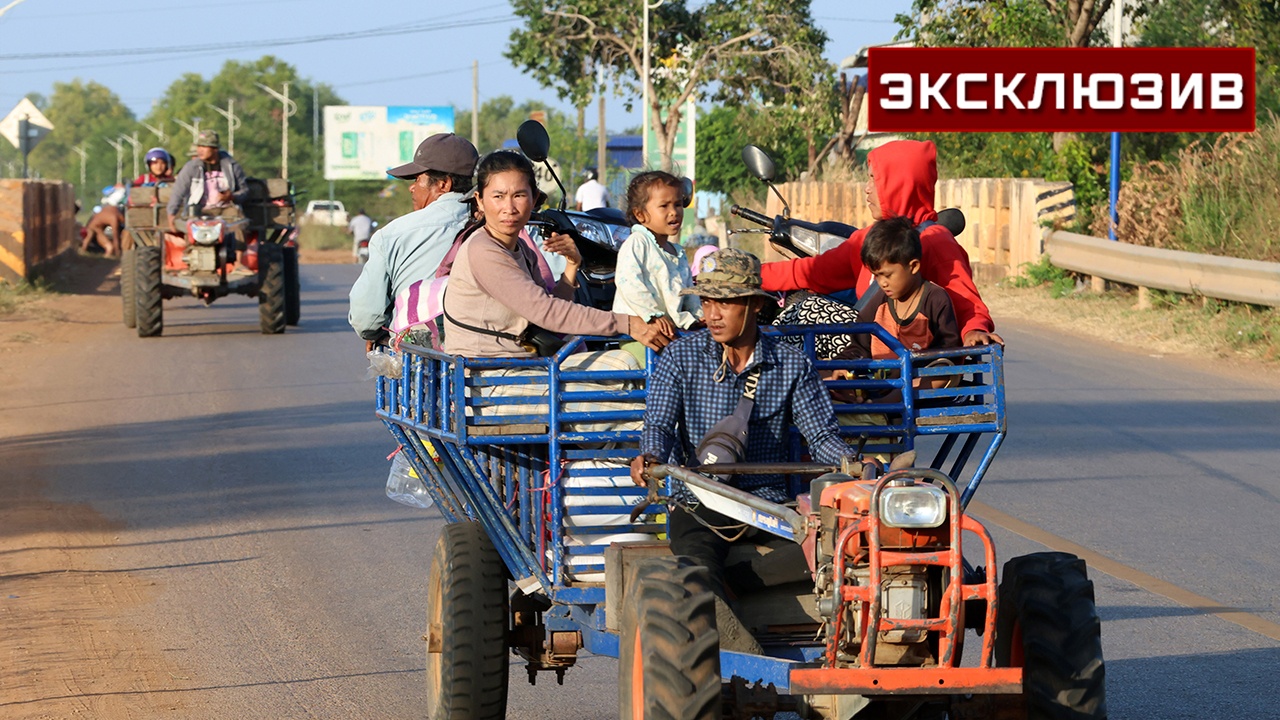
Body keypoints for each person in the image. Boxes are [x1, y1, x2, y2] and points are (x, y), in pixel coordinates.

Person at [629, 247, 856, 653]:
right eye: (706, 301)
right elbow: (659, 426)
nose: (712, 313)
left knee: (838, 554)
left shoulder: (791, 364)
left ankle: (734, 586)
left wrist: (852, 465)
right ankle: (747, 660)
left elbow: (822, 437)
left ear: (754, 306)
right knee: (695, 574)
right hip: (699, 501)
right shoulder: (680, 357)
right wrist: (651, 457)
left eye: (726, 302)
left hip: (770, 504)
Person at [760, 140, 1003, 347]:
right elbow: (811, 272)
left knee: (806, 312)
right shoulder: (869, 239)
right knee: (801, 303)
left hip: (899, 348)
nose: (866, 190)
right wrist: (750, 274)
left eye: (875, 180)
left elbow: (965, 300)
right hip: (868, 341)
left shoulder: (935, 240)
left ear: (899, 184)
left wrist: (974, 329)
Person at [441, 151, 671, 358]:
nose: (509, 208)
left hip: (520, 365)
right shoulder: (483, 250)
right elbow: (545, 312)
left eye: (519, 195)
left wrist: (572, 264)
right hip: (488, 375)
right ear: (480, 201)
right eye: (498, 196)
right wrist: (627, 323)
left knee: (624, 363)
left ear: (534, 199)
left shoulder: (520, 250)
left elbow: (550, 317)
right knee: (626, 374)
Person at [348, 133, 479, 347]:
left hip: (420, 360)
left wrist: (376, 335)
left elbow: (366, 319)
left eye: (418, 179)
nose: (412, 187)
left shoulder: (392, 234)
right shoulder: (503, 226)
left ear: (444, 184)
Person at [612, 171, 702, 337]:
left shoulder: (677, 253)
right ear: (640, 214)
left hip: (670, 331)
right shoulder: (637, 243)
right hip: (640, 333)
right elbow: (629, 282)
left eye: (678, 204)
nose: (674, 212)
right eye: (664, 206)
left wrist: (698, 316)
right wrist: (652, 314)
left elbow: (689, 292)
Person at [166, 130, 249, 231]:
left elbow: (244, 190)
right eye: (199, 146)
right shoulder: (191, 167)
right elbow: (178, 192)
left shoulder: (231, 165)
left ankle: (238, 247)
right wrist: (171, 214)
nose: (200, 150)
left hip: (226, 209)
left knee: (237, 221)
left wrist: (231, 197)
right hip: (200, 210)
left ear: (215, 149)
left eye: (204, 146)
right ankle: (192, 247)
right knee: (192, 229)